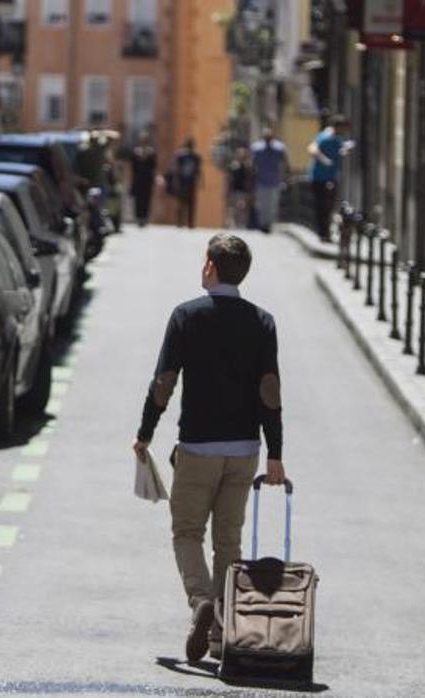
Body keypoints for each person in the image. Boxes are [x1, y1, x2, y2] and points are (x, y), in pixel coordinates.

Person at [132, 234, 286, 662]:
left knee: (186, 532)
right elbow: (269, 391)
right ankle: (221, 631)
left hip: (198, 445)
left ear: (210, 268)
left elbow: (164, 383)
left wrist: (144, 434)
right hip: (244, 449)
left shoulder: (186, 316)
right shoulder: (262, 322)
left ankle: (200, 600)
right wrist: (275, 454)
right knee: (229, 543)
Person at [307, 114, 352, 242]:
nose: (345, 131)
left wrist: (344, 149)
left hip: (332, 176)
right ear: (338, 127)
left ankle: (325, 232)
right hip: (319, 177)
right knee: (322, 205)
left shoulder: (338, 138)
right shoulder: (325, 136)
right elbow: (312, 148)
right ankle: (323, 233)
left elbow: (341, 149)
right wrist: (324, 159)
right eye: (344, 128)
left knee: (330, 205)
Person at [250, 128, 289, 233]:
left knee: (272, 204)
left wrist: (285, 177)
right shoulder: (256, 148)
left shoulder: (279, 148)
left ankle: (269, 224)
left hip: (274, 180)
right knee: (262, 204)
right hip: (261, 180)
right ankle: (263, 224)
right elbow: (252, 165)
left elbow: (285, 163)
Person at [170, 138, 203, 229]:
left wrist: (200, 180)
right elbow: (176, 168)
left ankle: (190, 223)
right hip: (182, 181)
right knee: (181, 202)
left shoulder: (196, 156)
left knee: (191, 203)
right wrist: (175, 180)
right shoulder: (181, 156)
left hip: (191, 182)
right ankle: (179, 222)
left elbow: (198, 170)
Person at [129, 132, 158, 227]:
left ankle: (145, 217)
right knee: (138, 199)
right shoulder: (136, 152)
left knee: (146, 198)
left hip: (147, 179)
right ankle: (138, 217)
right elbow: (133, 168)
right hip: (138, 179)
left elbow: (154, 167)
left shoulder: (151, 152)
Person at [225, 146, 254, 230]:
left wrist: (250, 192)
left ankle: (241, 224)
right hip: (234, 190)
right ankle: (233, 224)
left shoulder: (248, 166)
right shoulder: (233, 166)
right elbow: (229, 179)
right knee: (233, 208)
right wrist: (227, 190)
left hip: (243, 191)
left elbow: (250, 179)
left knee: (242, 208)